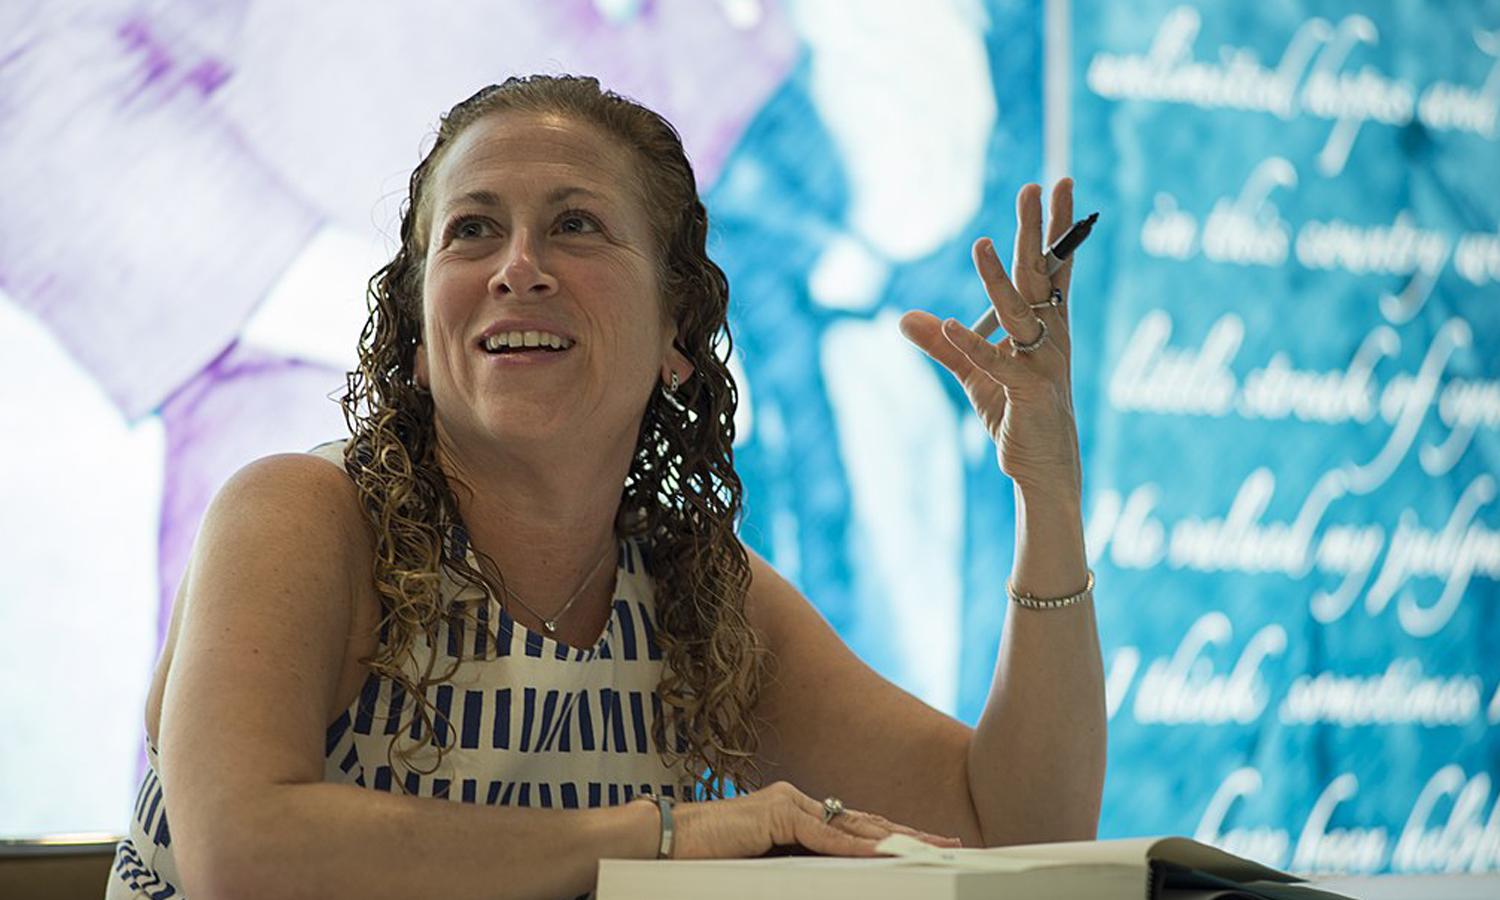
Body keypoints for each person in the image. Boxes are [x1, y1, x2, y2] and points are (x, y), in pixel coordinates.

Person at [108, 74, 1104, 900]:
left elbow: (1010, 831)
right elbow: (244, 857)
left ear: (677, 332)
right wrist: (663, 837)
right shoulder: (298, 516)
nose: (518, 268)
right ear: (415, 335)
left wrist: (1049, 494)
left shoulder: (695, 591)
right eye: (471, 231)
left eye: (576, 225)